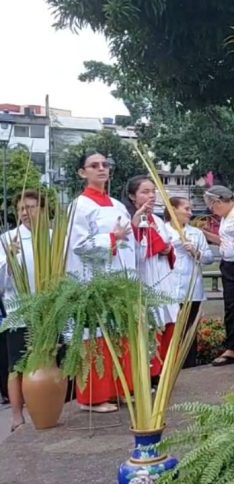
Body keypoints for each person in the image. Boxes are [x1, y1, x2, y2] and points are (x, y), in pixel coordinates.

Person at [66, 150, 136, 413]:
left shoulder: (118, 205)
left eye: (105, 164)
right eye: (94, 165)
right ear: (82, 173)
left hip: (118, 277)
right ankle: (93, 398)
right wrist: (111, 238)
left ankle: (118, 390)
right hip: (93, 279)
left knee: (119, 335)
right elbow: (78, 245)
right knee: (94, 337)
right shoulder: (79, 206)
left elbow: (127, 240)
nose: (101, 169)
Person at [124, 176, 180, 378]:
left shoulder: (157, 219)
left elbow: (169, 244)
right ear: (132, 196)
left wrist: (166, 249)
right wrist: (140, 229)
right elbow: (134, 252)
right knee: (150, 323)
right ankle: (149, 373)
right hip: (145, 276)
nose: (150, 196)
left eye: (153, 191)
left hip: (163, 275)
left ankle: (166, 371)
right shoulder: (130, 219)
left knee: (168, 320)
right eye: (144, 192)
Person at [0, 190, 46, 431]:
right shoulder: (8, 239)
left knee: (50, 361)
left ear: (42, 209)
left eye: (31, 207)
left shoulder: (52, 237)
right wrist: (9, 258)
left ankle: (48, 408)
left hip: (49, 310)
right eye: (21, 209)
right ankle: (17, 417)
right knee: (16, 366)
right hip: (19, 311)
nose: (26, 213)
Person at [166, 196, 214, 367]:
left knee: (189, 331)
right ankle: (168, 365)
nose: (190, 213)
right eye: (186, 209)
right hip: (168, 289)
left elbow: (209, 258)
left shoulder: (196, 233)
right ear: (173, 210)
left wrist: (195, 252)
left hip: (191, 290)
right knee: (169, 329)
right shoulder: (162, 231)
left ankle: (189, 365)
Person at [202, 186, 234, 366]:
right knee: (231, 305)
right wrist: (206, 236)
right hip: (228, 264)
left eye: (212, 206)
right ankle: (230, 346)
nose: (213, 211)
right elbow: (227, 240)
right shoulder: (225, 217)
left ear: (218, 202)